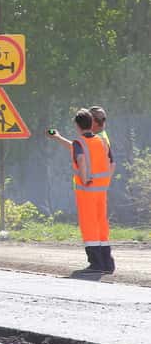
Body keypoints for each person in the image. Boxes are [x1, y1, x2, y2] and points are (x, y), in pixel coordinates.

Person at [49, 108, 115, 274]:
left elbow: (81, 158)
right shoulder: (101, 142)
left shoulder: (80, 143)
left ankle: (96, 264)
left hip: (87, 189)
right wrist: (57, 137)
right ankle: (107, 263)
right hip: (101, 190)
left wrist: (85, 179)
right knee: (101, 224)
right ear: (91, 124)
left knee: (89, 224)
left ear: (77, 126)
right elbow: (112, 163)